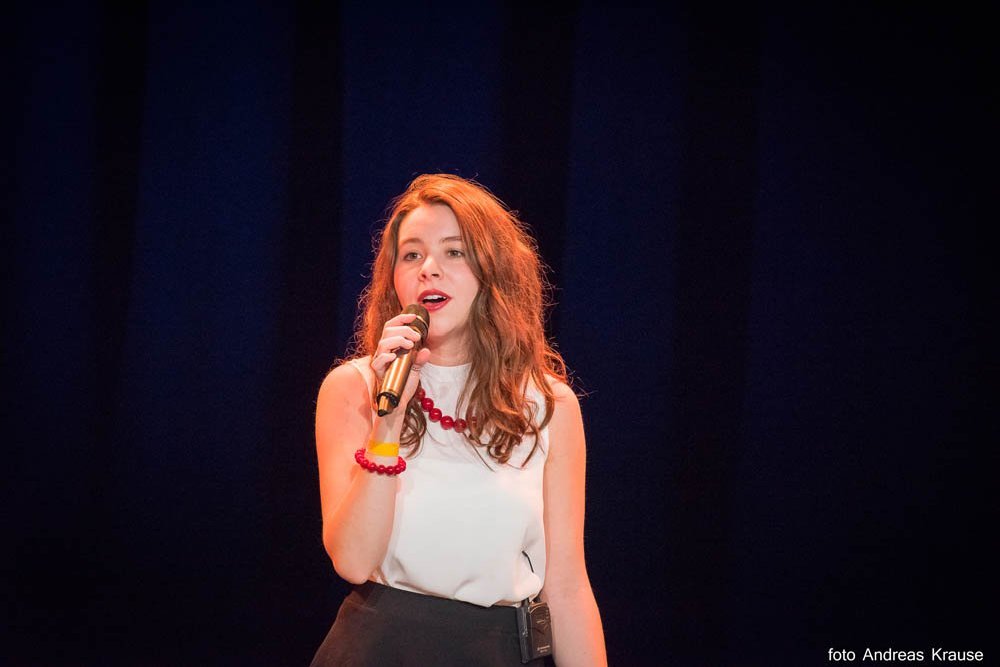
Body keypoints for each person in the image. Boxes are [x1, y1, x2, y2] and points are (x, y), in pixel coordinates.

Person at [311, 174, 607, 666]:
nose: (429, 268)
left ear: (493, 272)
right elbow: (353, 560)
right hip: (380, 648)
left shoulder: (547, 405)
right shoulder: (355, 388)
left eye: (454, 252)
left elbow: (568, 586)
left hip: (498, 650)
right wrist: (388, 421)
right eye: (411, 254)